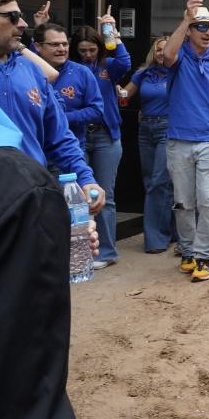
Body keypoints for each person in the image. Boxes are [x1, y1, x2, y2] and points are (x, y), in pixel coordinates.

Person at [0, 0, 105, 212]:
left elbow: (58, 136)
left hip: (31, 201)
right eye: (13, 17)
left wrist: (85, 178)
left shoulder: (31, 71)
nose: (22, 24)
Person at [162, 0, 209, 283]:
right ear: (190, 31)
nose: (207, 32)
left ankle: (204, 255)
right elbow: (166, 55)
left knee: (208, 199)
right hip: (179, 140)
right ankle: (189, 251)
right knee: (183, 201)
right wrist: (186, 18)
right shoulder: (179, 57)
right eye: (201, 27)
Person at [71, 19, 131, 268]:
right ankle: (82, 252)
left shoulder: (108, 66)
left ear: (99, 48)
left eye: (91, 50)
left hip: (106, 135)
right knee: (78, 196)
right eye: (83, 50)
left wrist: (113, 35)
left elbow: (125, 61)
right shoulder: (69, 69)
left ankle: (106, 252)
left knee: (104, 193)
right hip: (78, 137)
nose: (87, 55)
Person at [122, 37, 175, 253]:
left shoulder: (177, 72)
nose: (162, 53)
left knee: (159, 182)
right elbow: (126, 93)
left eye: (166, 49)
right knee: (151, 182)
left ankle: (155, 240)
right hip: (146, 129)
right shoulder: (144, 73)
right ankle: (171, 229)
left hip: (168, 128)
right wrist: (115, 91)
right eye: (159, 49)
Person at [34, 23, 105, 151]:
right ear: (38, 46)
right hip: (35, 149)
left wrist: (61, 118)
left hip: (69, 149)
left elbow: (97, 110)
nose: (62, 49)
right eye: (55, 44)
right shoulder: (26, 71)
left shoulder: (82, 72)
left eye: (65, 44)